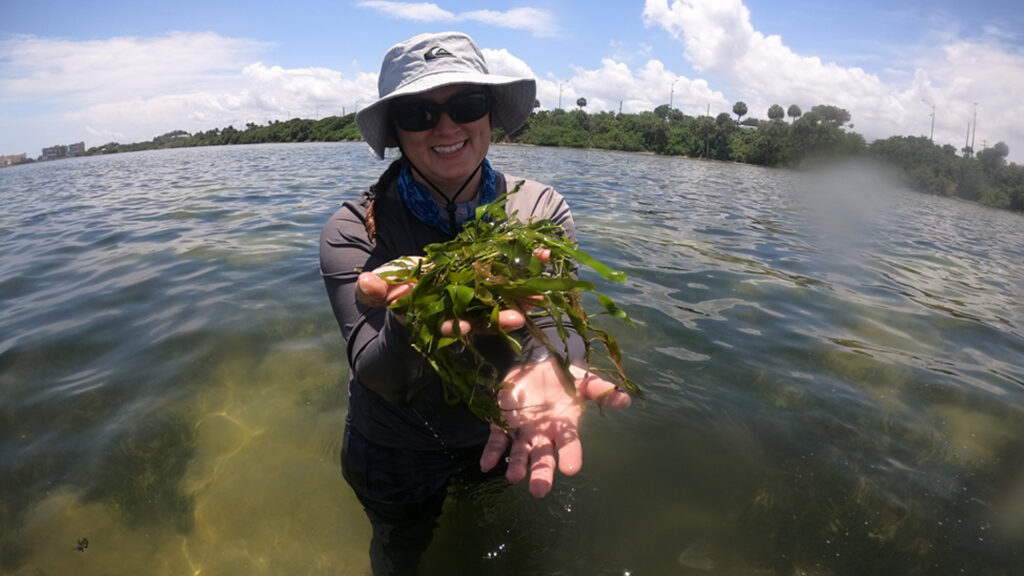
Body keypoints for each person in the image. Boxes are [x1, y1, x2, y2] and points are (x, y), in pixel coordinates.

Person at [319, 31, 631, 575]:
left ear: (489, 115)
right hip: (392, 447)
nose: (446, 126)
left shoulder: (540, 209)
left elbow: (562, 319)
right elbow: (378, 375)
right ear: (395, 129)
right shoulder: (352, 232)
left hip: (503, 422)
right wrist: (409, 315)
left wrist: (546, 364)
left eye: (466, 105)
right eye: (419, 113)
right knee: (400, 552)